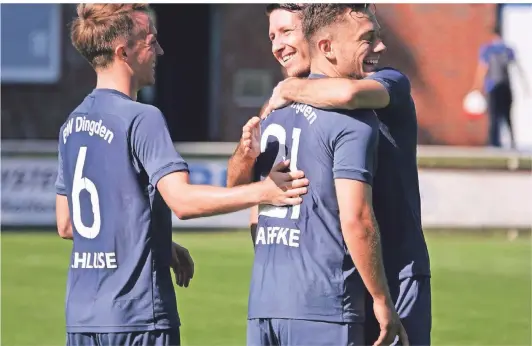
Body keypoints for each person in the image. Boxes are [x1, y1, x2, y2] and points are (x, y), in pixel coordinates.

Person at [55, 4, 308, 346]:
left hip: (82, 319)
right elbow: (183, 202)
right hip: (137, 318)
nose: (159, 50)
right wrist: (264, 191)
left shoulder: (71, 125)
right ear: (123, 52)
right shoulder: (141, 118)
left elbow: (68, 224)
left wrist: (158, 243)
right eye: (150, 40)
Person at [229, 2, 432, 345]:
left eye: (287, 32)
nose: (279, 44)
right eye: (272, 36)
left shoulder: (384, 83)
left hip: (395, 268)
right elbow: (248, 195)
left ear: (317, 37)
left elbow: (348, 94)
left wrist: (287, 90)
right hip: (332, 281)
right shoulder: (282, 109)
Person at [472, 25, 528, 148]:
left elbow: (483, 68)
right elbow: (518, 68)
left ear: (492, 35)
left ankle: (493, 143)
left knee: (493, 116)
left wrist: (477, 86)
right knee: (507, 116)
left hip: (493, 87)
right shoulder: (508, 50)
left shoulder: (487, 49)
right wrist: (525, 86)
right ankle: (512, 142)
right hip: (506, 86)